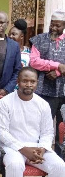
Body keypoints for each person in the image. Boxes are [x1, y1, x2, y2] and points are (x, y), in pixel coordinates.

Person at [0, 67, 65, 177]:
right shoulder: (4, 103)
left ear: (37, 83)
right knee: (15, 165)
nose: (29, 84)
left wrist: (42, 148)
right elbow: (1, 132)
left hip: (36, 148)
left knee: (60, 167)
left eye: (32, 81)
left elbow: (48, 132)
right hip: (11, 148)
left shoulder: (42, 104)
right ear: (18, 81)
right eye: (25, 81)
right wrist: (23, 149)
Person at [29, 10, 65, 139]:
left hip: (63, 93)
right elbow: (33, 61)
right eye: (52, 24)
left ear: (64, 26)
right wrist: (57, 65)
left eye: (58, 25)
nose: (54, 28)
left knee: (62, 131)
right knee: (41, 128)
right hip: (43, 92)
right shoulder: (39, 39)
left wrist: (58, 72)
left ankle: (60, 158)